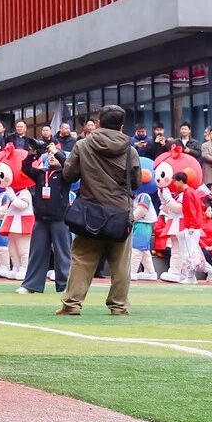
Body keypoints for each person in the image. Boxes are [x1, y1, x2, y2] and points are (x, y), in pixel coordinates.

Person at [58, 106, 141, 315]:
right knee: (121, 264)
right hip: (120, 212)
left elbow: (69, 175)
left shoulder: (83, 144)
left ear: (99, 123)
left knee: (82, 259)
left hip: (90, 211)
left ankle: (72, 304)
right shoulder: (130, 150)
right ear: (121, 126)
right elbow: (136, 182)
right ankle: (118, 306)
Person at [19, 139, 72, 295]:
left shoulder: (65, 174)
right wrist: (34, 153)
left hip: (60, 219)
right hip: (41, 219)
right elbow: (25, 167)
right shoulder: (41, 173)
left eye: (54, 155)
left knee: (63, 253)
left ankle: (65, 285)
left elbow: (70, 167)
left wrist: (57, 152)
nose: (51, 157)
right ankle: (31, 285)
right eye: (50, 155)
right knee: (37, 252)